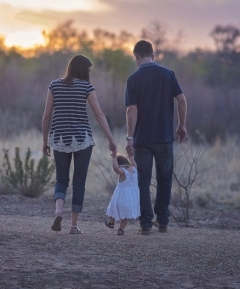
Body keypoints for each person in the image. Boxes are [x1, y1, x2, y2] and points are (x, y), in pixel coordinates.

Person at [42, 54, 117, 234]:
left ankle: (59, 210)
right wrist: (111, 139)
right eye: (88, 70)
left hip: (59, 138)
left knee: (61, 179)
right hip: (82, 139)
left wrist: (45, 141)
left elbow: (46, 116)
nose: (89, 74)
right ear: (83, 70)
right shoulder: (86, 87)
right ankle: (73, 225)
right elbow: (99, 115)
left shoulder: (54, 85)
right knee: (79, 182)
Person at [125, 40, 188, 235]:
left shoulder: (133, 79)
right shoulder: (168, 75)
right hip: (164, 137)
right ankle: (163, 221)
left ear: (136, 56)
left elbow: (131, 110)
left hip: (143, 139)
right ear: (153, 56)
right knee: (165, 179)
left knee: (143, 181)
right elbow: (182, 99)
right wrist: (181, 125)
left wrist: (129, 137)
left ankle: (145, 224)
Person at [105, 152, 140, 236]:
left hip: (121, 196)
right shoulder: (134, 170)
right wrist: (131, 157)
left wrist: (114, 158)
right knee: (125, 215)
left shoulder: (123, 172)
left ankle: (111, 222)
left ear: (120, 165)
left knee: (112, 209)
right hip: (132, 198)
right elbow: (134, 163)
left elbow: (115, 168)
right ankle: (121, 229)